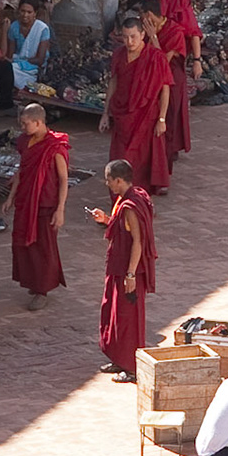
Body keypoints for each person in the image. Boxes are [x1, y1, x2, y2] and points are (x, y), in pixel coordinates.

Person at [93, 159, 156, 377]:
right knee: (115, 315)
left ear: (119, 180)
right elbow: (122, 229)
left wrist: (130, 274)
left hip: (128, 271)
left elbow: (137, 242)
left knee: (128, 319)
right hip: (118, 267)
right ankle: (120, 359)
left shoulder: (131, 206)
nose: (107, 184)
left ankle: (132, 367)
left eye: (109, 180)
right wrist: (106, 220)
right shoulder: (128, 198)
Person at [100, 13, 173, 196]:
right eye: (125, 37)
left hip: (146, 115)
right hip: (123, 115)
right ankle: (120, 197)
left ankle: (137, 198)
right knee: (120, 157)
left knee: (140, 159)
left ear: (142, 35)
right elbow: (114, 82)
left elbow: (165, 88)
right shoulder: (118, 55)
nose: (129, 41)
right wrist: (105, 113)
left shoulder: (155, 57)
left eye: (133, 36)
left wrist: (162, 119)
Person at [138, 0, 202, 167]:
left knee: (172, 112)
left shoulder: (176, 17)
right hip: (153, 75)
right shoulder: (151, 19)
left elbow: (192, 33)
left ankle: (168, 151)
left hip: (171, 73)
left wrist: (197, 60)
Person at [10, 103, 69, 310]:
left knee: (43, 247)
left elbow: (63, 179)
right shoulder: (25, 142)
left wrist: (60, 209)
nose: (23, 128)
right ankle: (33, 282)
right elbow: (21, 170)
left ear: (38, 122)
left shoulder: (55, 147)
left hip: (46, 205)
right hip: (26, 201)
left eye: (26, 124)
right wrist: (11, 196)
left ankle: (42, 290)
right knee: (24, 244)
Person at [9, 0, 53, 90]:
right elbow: (10, 54)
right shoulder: (14, 27)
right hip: (17, 66)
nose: (25, 15)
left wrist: (20, 61)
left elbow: (40, 60)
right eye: (23, 11)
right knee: (4, 70)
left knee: (9, 71)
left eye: (29, 12)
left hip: (35, 69)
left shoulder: (42, 29)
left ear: (35, 13)